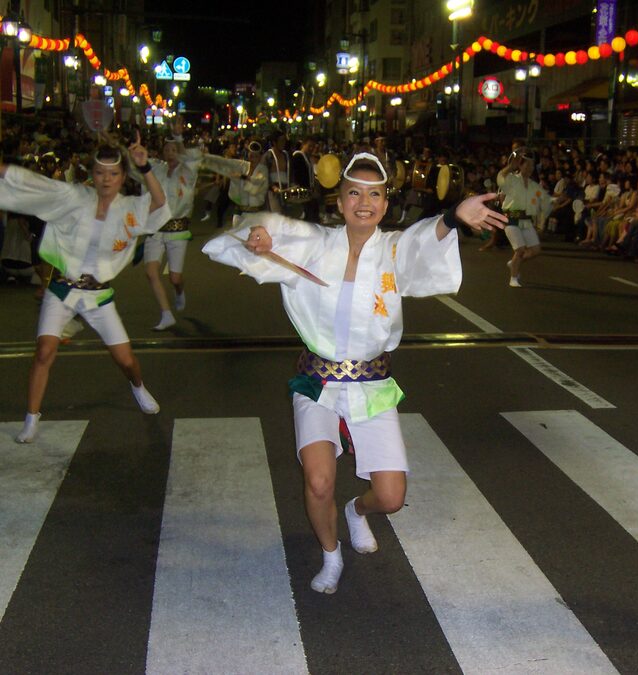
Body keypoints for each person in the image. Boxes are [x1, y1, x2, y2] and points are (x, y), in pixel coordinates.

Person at [202, 152, 506, 594]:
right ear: (339, 201)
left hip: (372, 384)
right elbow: (259, 231)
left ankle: (356, 512)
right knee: (319, 479)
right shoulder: (313, 242)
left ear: (385, 205)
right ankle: (330, 554)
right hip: (316, 382)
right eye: (355, 193)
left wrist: (454, 217)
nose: (365, 202)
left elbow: (425, 239)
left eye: (375, 195)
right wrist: (258, 237)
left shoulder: (393, 249)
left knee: (391, 498)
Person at [0, 135, 170, 444]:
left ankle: (137, 387)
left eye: (114, 174)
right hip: (62, 289)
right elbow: (33, 185)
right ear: (91, 174)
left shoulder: (130, 207)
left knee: (126, 360)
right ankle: (31, 418)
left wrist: (144, 166)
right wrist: (5, 172)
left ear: (122, 177)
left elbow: (159, 204)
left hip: (99, 296)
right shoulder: (73, 196)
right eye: (100, 173)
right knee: (44, 351)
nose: (106, 180)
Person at [133, 118, 201, 330]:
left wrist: (179, 136)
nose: (171, 152)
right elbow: (135, 168)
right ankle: (166, 314)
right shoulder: (156, 169)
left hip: (177, 230)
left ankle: (179, 290)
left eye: (174, 149)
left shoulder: (188, 172)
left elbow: (187, 158)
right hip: (155, 229)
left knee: (174, 277)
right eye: (167, 148)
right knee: (151, 272)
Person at [498, 149, 552, 287]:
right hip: (511, 220)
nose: (529, 168)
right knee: (520, 250)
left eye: (532, 165)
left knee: (535, 250)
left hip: (526, 222)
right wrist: (510, 166)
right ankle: (513, 278)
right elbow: (501, 178)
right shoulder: (512, 180)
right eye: (526, 165)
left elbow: (544, 200)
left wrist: (553, 202)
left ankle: (514, 263)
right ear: (520, 166)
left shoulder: (534, 185)